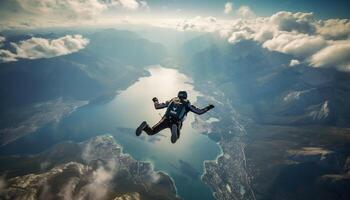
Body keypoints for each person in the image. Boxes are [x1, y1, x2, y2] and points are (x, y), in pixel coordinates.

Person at [135, 91, 214, 143]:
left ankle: (145, 126)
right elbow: (199, 112)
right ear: (185, 96)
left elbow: (157, 107)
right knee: (176, 138)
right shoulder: (187, 104)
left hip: (165, 119)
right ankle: (175, 128)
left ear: (178, 95)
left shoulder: (172, 100)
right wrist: (209, 107)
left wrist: (155, 100)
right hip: (176, 122)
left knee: (151, 132)